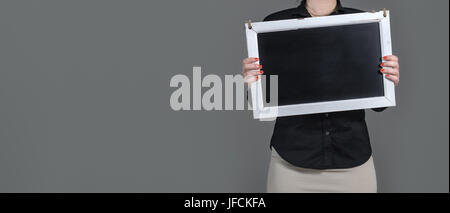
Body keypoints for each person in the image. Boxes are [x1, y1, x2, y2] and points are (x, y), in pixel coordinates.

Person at [241, 0, 400, 193]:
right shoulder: (275, 25)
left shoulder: (363, 23)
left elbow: (378, 105)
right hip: (291, 165)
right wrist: (254, 84)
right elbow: (267, 108)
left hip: (352, 163)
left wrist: (387, 79)